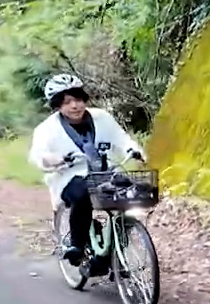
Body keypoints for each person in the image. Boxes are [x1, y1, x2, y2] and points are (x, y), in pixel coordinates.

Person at [28, 74, 146, 268]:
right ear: (57, 106)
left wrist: (134, 150)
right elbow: (39, 156)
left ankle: (113, 249)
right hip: (68, 176)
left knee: (132, 190)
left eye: (78, 99)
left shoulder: (102, 118)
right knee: (83, 193)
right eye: (67, 102)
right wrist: (56, 159)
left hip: (105, 172)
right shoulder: (47, 129)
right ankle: (77, 246)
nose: (75, 106)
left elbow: (121, 139)